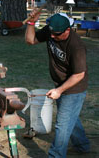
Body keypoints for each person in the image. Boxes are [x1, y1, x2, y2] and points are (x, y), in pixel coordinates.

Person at [25, 12, 90, 158]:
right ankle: (82, 146)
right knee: (70, 118)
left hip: (74, 87)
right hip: (60, 84)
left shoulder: (77, 46)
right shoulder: (52, 31)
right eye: (51, 33)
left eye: (57, 34)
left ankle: (55, 155)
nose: (52, 36)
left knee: (62, 124)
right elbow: (30, 40)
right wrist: (31, 23)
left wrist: (59, 90)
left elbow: (79, 74)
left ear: (68, 30)